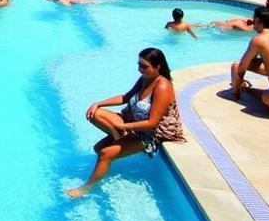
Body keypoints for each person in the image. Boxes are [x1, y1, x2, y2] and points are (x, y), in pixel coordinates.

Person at [66, 47, 185, 197]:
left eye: (144, 66)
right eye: (139, 65)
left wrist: (123, 126)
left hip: (151, 134)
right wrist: (98, 103)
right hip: (133, 122)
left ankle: (86, 188)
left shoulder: (162, 87)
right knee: (96, 117)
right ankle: (121, 137)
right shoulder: (145, 79)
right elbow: (126, 97)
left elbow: (152, 123)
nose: (140, 69)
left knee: (104, 153)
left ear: (158, 66)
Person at [230, 6, 269, 111]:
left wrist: (236, 94)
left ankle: (246, 89)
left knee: (237, 65)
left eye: (253, 19)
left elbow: (241, 68)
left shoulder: (259, 40)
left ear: (257, 20)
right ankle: (249, 90)